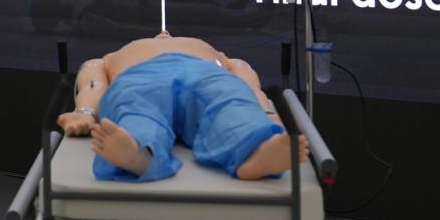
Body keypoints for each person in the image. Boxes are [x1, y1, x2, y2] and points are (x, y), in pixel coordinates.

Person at [56, 32, 309, 182]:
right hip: (140, 76)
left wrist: (266, 115)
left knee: (230, 103)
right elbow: (93, 83)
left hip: (204, 73)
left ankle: (256, 150)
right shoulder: (109, 58)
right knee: (134, 107)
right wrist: (85, 113)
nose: (164, 32)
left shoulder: (220, 56)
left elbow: (247, 87)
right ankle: (138, 153)